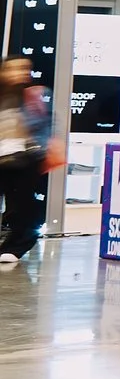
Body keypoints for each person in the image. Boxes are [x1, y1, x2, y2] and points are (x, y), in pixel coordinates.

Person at [0, 57, 58, 261]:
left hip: (25, 158)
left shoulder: (34, 95)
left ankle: (15, 247)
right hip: (3, 156)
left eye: (25, 69)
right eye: (15, 69)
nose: (21, 73)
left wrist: (40, 151)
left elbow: (46, 125)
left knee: (21, 205)